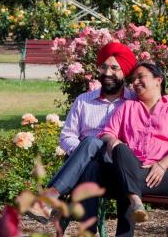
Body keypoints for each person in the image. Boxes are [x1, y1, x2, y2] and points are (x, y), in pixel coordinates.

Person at [81, 62, 168, 237]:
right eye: (133, 79)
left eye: (141, 77)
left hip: (165, 172)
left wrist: (161, 164)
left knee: (126, 177)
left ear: (158, 80)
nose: (136, 82)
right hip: (133, 168)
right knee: (108, 159)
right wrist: (112, 142)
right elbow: (108, 133)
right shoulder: (127, 107)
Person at [26, 42, 137, 222]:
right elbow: (67, 136)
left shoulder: (134, 102)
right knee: (90, 158)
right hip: (88, 169)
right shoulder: (84, 101)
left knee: (92, 142)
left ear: (124, 71)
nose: (107, 73)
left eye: (114, 68)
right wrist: (83, 155)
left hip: (118, 167)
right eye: (104, 67)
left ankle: (48, 199)